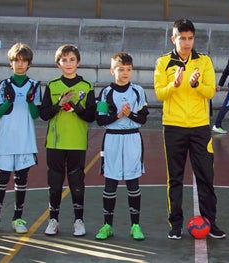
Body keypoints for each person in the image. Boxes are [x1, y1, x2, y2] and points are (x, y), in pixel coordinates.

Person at [155, 19, 226, 240]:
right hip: (173, 126)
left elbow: (210, 92)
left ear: (194, 38)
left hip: (199, 127)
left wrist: (196, 85)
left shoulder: (204, 61)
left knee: (206, 176)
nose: (186, 42)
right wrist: (173, 84)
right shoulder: (163, 62)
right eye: (182, 38)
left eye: (190, 38)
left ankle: (210, 222)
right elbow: (159, 94)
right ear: (173, 38)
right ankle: (175, 224)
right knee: (174, 178)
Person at [39, 44, 97, 236]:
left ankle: (78, 220)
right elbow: (44, 114)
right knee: (55, 183)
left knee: (77, 182)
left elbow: (91, 116)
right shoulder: (53, 85)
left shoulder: (87, 86)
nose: (69, 63)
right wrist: (59, 105)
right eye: (64, 60)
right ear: (58, 64)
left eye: (72, 59)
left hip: (77, 142)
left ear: (78, 62)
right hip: (55, 143)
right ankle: (53, 219)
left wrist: (76, 108)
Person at [0, 43, 41, 235]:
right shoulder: (4, 85)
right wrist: (9, 101)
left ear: (28, 63)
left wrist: (30, 100)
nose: (20, 64)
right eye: (16, 60)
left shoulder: (34, 86)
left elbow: (35, 115)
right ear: (11, 63)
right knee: (1, 179)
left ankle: (18, 218)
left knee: (21, 180)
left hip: (25, 140)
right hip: (6, 140)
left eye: (23, 61)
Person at [93, 52, 150, 241]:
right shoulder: (105, 93)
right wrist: (118, 115)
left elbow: (143, 118)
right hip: (112, 140)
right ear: (112, 70)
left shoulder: (137, 91)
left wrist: (130, 114)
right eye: (120, 69)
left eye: (128, 70)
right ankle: (107, 225)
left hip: (132, 138)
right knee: (110, 184)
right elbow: (100, 120)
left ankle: (136, 225)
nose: (124, 73)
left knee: (133, 183)